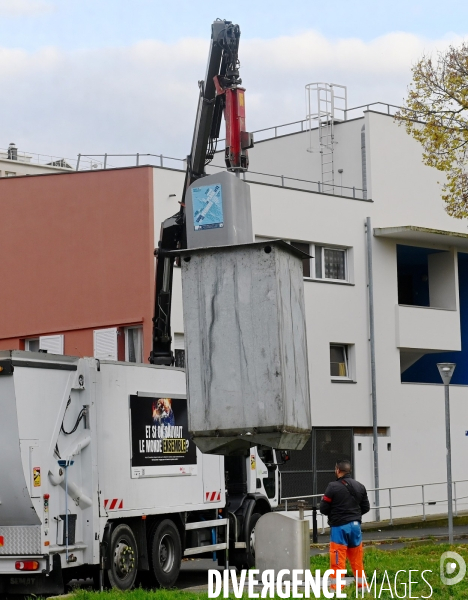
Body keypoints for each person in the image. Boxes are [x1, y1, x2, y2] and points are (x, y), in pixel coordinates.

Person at [319, 459, 370, 590]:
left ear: (337, 470)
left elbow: (323, 509)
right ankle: (362, 586)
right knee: (357, 558)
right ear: (349, 471)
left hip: (339, 527)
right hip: (355, 526)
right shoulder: (360, 486)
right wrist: (353, 515)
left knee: (337, 557)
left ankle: (337, 588)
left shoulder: (332, 487)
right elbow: (366, 507)